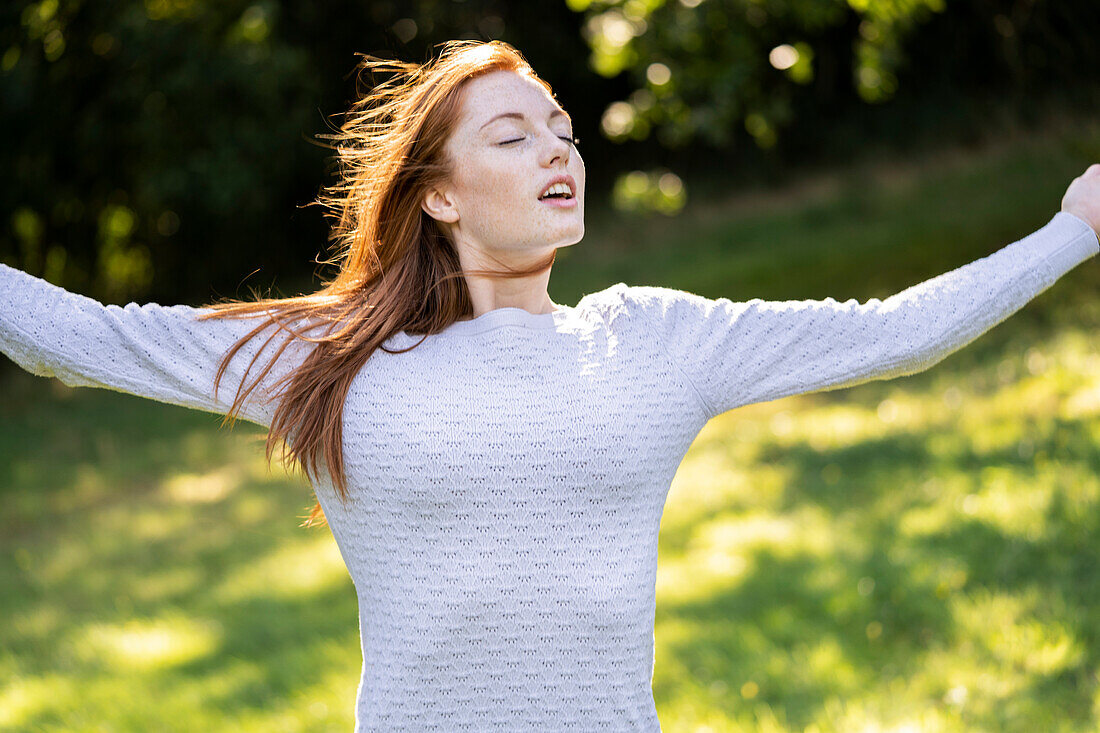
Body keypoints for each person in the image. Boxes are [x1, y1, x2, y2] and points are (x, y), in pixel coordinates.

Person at [1, 38, 1098, 732]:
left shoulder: (655, 339)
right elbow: (77, 336)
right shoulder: (329, 355)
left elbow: (897, 334)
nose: (556, 150)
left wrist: (1071, 230)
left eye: (563, 131)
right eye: (514, 134)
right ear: (437, 194)